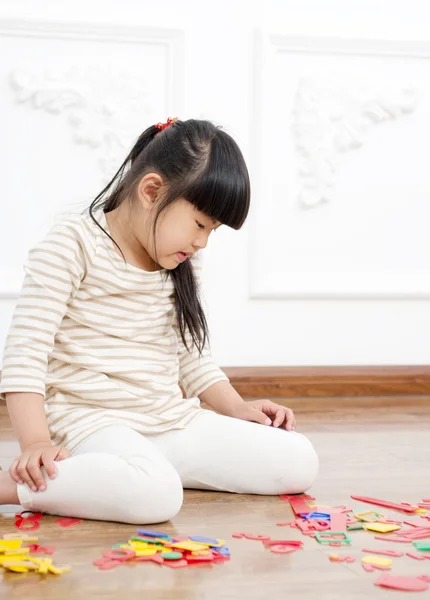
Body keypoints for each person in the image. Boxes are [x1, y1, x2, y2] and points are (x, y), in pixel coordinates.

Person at [0, 117, 318, 524]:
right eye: (200, 224)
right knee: (156, 496)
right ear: (151, 191)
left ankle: (123, 475)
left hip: (167, 418)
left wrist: (237, 408)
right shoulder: (73, 245)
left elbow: (191, 358)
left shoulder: (180, 261)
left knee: (298, 460)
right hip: (89, 422)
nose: (202, 241)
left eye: (213, 230)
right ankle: (15, 486)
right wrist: (35, 443)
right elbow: (25, 353)